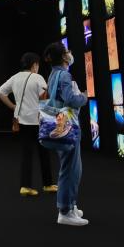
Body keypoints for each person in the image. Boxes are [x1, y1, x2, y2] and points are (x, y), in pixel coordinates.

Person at [41, 42, 88, 226]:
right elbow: (71, 99)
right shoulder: (65, 75)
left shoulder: (53, 74)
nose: (70, 53)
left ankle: (70, 205)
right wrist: (83, 97)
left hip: (59, 124)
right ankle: (65, 211)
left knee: (70, 167)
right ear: (63, 56)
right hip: (68, 125)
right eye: (67, 51)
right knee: (71, 169)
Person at [0, 53, 55, 197]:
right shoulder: (37, 77)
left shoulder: (15, 77)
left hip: (22, 120)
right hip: (38, 120)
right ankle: (48, 184)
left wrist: (13, 106)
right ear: (34, 64)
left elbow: (0, 92)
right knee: (44, 152)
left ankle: (25, 186)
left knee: (26, 153)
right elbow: (45, 98)